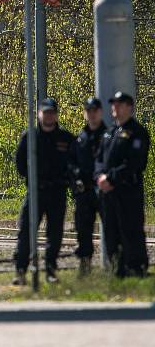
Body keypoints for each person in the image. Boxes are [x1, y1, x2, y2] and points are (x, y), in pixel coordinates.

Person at [12, 98, 74, 285]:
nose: (48, 116)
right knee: (26, 232)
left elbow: (73, 163)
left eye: (51, 112)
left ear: (56, 115)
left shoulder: (65, 138)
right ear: (39, 114)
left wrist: (65, 180)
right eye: (45, 112)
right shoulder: (29, 137)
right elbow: (20, 163)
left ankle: (50, 270)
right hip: (35, 192)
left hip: (57, 193)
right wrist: (32, 178)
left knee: (54, 234)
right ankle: (21, 271)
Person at [95, 91, 151, 278]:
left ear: (129, 107)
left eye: (120, 104)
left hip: (128, 192)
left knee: (131, 230)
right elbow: (99, 160)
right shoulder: (109, 133)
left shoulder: (137, 132)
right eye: (113, 104)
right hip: (108, 193)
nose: (115, 107)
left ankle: (136, 269)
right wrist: (100, 177)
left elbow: (135, 163)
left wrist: (110, 178)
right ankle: (116, 270)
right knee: (111, 231)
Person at [69, 97, 106, 276]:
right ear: (85, 113)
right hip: (85, 191)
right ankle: (85, 265)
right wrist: (75, 180)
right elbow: (71, 163)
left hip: (104, 191)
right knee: (83, 230)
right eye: (88, 111)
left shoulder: (108, 136)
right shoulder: (80, 138)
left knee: (112, 228)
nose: (91, 114)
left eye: (95, 111)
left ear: (100, 112)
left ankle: (114, 264)